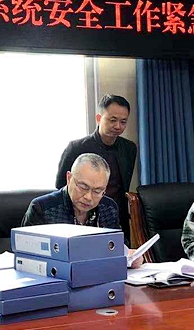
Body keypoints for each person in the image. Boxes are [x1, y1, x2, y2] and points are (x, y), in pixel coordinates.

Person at [23, 153, 143, 267]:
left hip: (99, 275)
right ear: (69, 178)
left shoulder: (108, 208)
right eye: (83, 187)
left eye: (97, 191)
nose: (88, 197)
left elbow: (119, 247)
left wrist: (131, 257)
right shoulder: (43, 208)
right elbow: (26, 256)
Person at [55, 94, 138, 245]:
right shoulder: (76, 148)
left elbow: (122, 186)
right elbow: (61, 185)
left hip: (114, 217)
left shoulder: (129, 148)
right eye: (112, 120)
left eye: (123, 122)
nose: (118, 126)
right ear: (99, 118)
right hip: (80, 217)